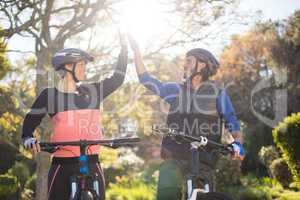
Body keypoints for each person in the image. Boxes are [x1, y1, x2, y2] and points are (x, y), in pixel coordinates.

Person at [128, 35, 245, 200]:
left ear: (202, 64)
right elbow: (146, 80)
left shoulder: (218, 94)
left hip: (204, 160)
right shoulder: (176, 90)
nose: (184, 65)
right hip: (174, 158)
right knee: (166, 194)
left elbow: (232, 123)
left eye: (189, 61)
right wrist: (137, 51)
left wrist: (238, 144)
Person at [21, 37, 128, 200]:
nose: (85, 69)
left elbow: (117, 79)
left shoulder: (92, 91)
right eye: (82, 64)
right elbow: (29, 123)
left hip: (92, 162)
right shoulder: (49, 95)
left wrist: (124, 49)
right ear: (68, 66)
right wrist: (28, 138)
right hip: (62, 165)